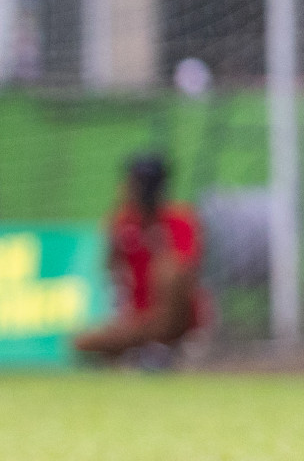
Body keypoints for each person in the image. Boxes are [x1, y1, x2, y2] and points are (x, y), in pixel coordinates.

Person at [74, 154, 207, 365]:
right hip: (136, 317)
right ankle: (142, 345)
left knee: (170, 270)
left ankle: (159, 345)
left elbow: (185, 273)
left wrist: (157, 243)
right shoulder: (122, 222)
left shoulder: (179, 220)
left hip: (175, 321)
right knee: (82, 340)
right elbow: (111, 274)